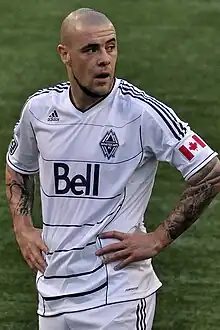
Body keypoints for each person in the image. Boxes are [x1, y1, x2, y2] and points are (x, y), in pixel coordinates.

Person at [5, 7, 220, 330]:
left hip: (119, 296)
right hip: (53, 294)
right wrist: (22, 227)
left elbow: (210, 171)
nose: (104, 58)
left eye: (111, 46)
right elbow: (18, 167)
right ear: (65, 55)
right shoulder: (39, 110)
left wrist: (159, 238)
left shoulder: (141, 113)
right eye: (91, 49)